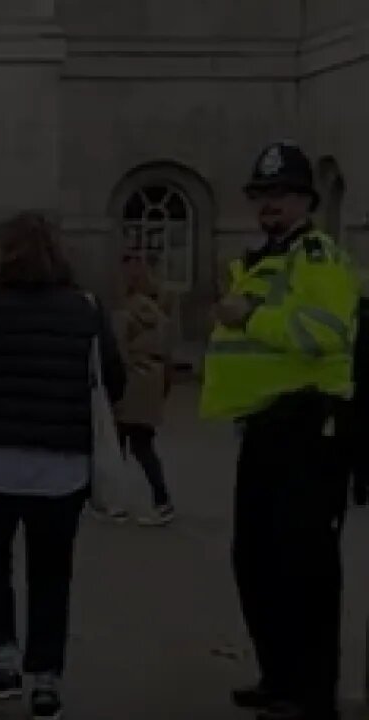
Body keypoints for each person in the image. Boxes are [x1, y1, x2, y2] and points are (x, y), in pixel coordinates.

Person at [0, 212, 125, 720]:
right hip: (62, 466)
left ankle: (3, 659)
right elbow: (113, 379)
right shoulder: (85, 309)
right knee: (52, 575)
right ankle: (47, 679)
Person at [201, 141, 359, 720]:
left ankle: (312, 694)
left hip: (309, 425)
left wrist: (251, 316)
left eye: (282, 194)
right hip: (266, 428)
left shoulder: (316, 256)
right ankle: (279, 676)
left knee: (306, 566)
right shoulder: (260, 259)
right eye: (262, 195)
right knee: (258, 559)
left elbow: (325, 332)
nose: (270, 204)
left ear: (306, 202)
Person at [114, 254, 175, 525]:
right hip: (152, 376)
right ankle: (160, 499)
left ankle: (116, 499)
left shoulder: (126, 310)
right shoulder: (161, 311)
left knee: (121, 443)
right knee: (141, 443)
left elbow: (117, 349)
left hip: (131, 378)